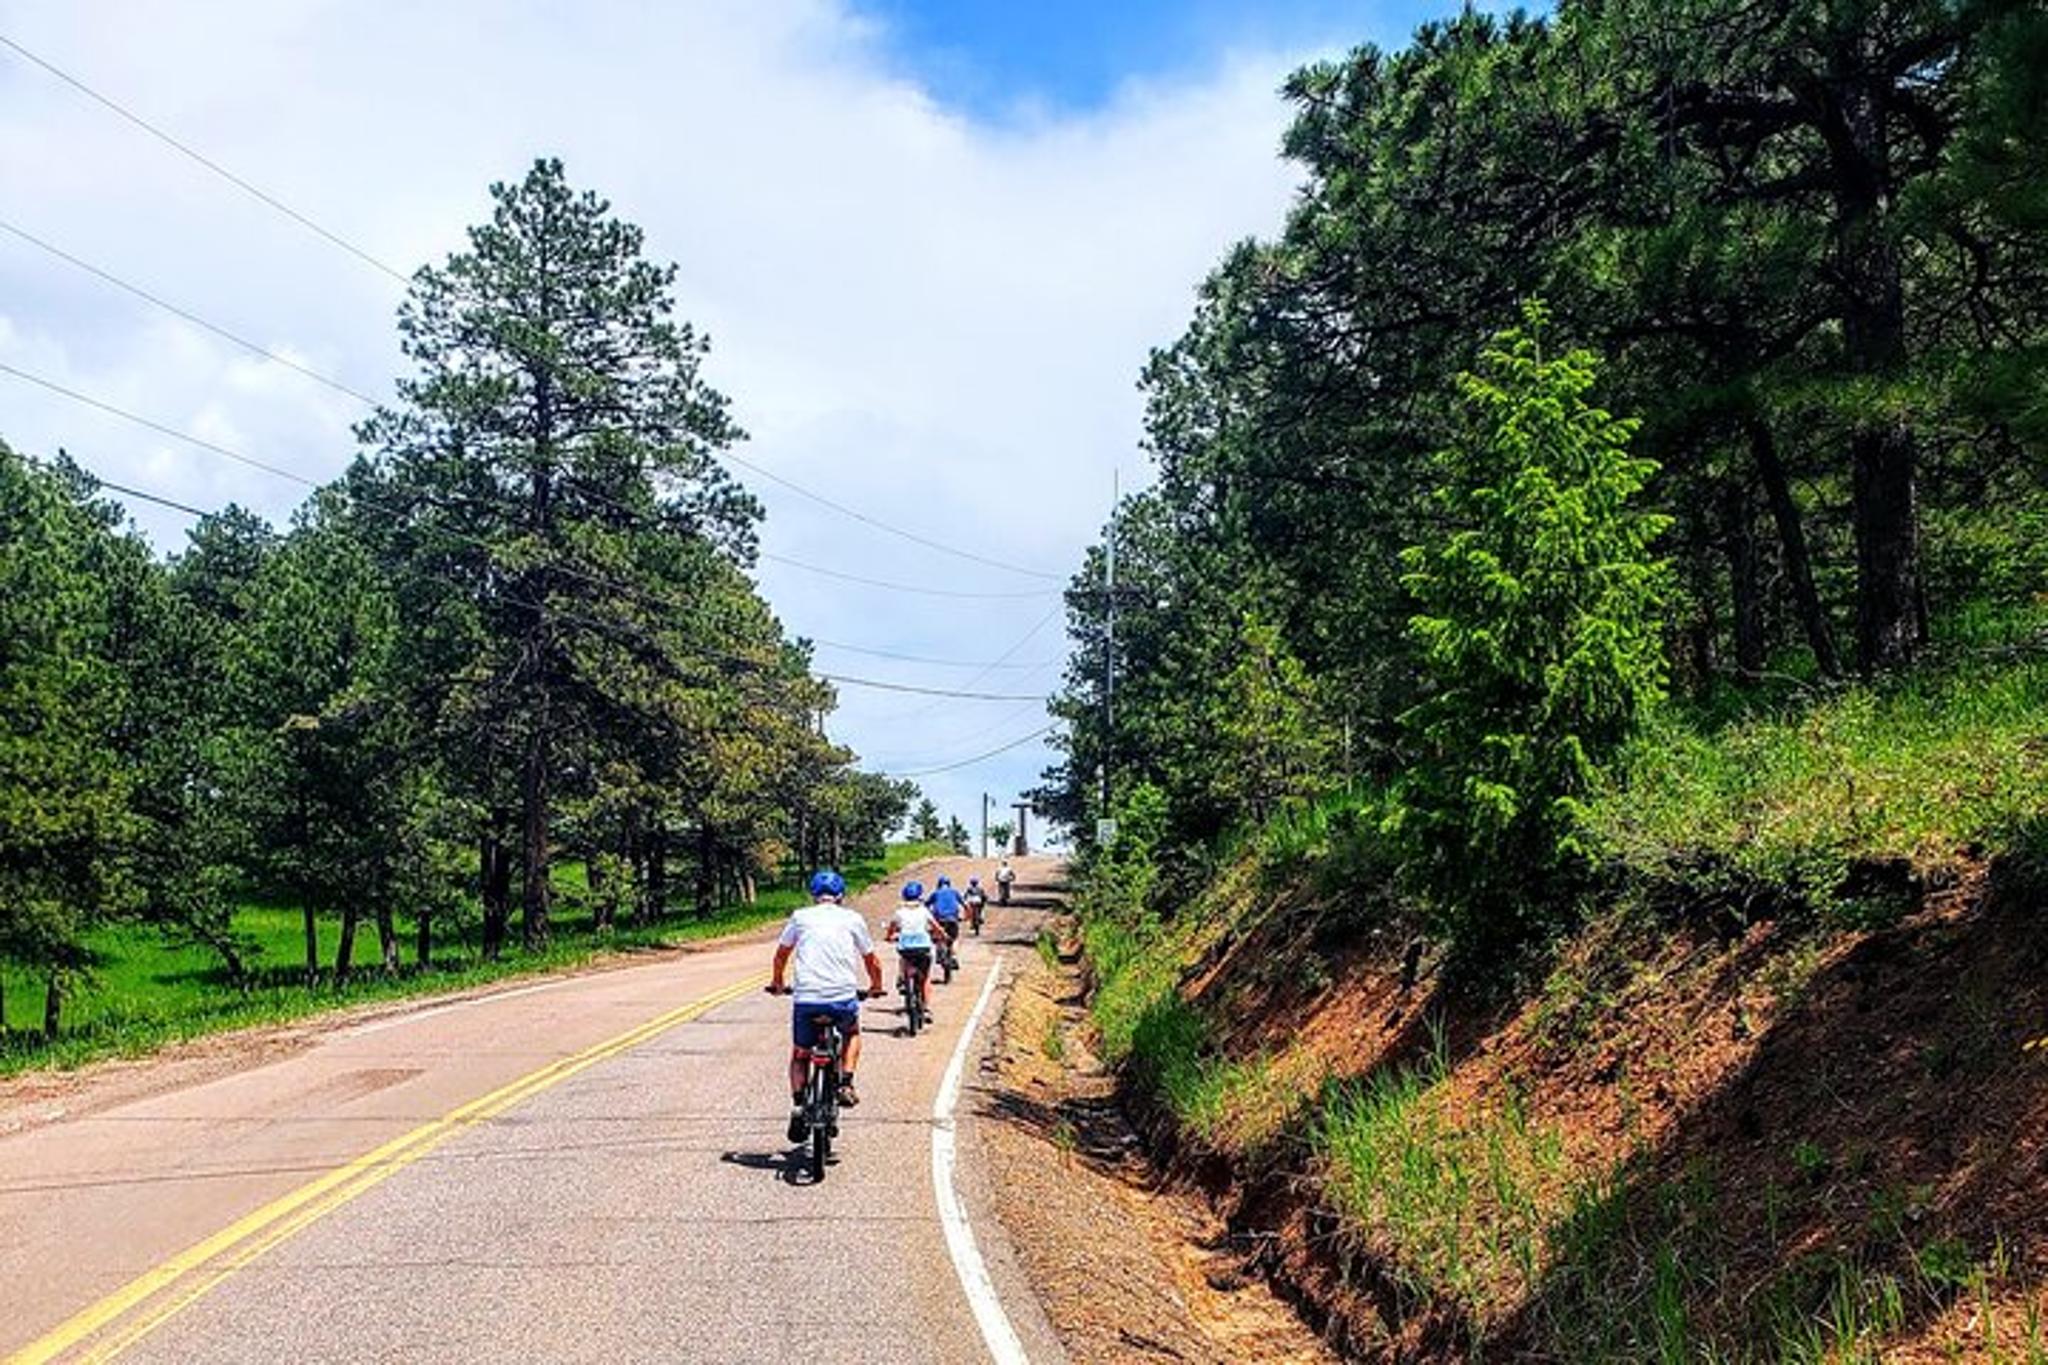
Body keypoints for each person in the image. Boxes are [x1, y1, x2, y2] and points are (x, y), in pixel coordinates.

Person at [770, 868, 883, 1143]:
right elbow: (871, 960)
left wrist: (777, 983)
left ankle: (798, 1106)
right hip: (842, 998)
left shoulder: (800, 917)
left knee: (800, 1054)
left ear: (813, 894)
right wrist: (876, 986)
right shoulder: (853, 919)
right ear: (841, 895)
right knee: (852, 1033)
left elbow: (781, 955)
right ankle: (845, 1082)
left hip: (806, 998)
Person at [885, 881, 941, 1020]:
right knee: (926, 977)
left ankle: (903, 979)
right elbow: (936, 927)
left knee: (903, 958)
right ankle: (926, 1009)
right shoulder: (924, 911)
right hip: (923, 948)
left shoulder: (899, 913)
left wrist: (889, 937)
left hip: (906, 949)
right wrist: (943, 935)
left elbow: (892, 928)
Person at [925, 874, 966, 968]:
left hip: (939, 919)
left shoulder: (935, 893)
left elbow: (926, 905)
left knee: (938, 936)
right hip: (953, 919)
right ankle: (954, 957)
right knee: (954, 939)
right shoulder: (954, 892)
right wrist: (967, 917)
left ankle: (939, 952)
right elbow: (965, 905)